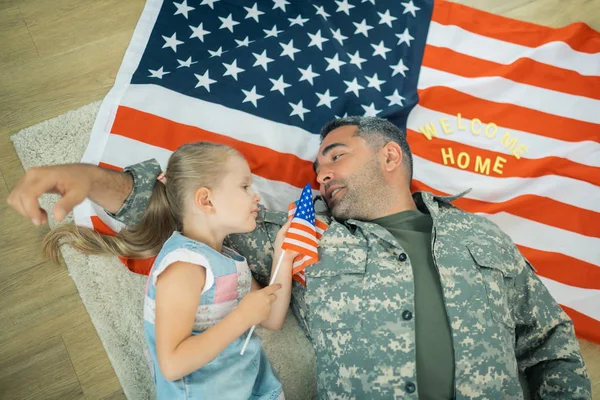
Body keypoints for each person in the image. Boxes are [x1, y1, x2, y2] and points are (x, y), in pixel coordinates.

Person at [8, 116, 592, 399]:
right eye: (317, 166)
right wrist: (83, 176)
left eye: (335, 156)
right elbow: (186, 210)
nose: (321, 174)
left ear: (391, 157)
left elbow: (551, 344)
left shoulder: (482, 238)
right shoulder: (305, 237)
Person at [41, 142, 297, 399]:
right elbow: (172, 365)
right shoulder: (184, 266)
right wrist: (242, 317)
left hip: (255, 387)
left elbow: (272, 318)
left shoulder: (231, 260)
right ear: (206, 200)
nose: (256, 196)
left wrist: (284, 254)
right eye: (245, 186)